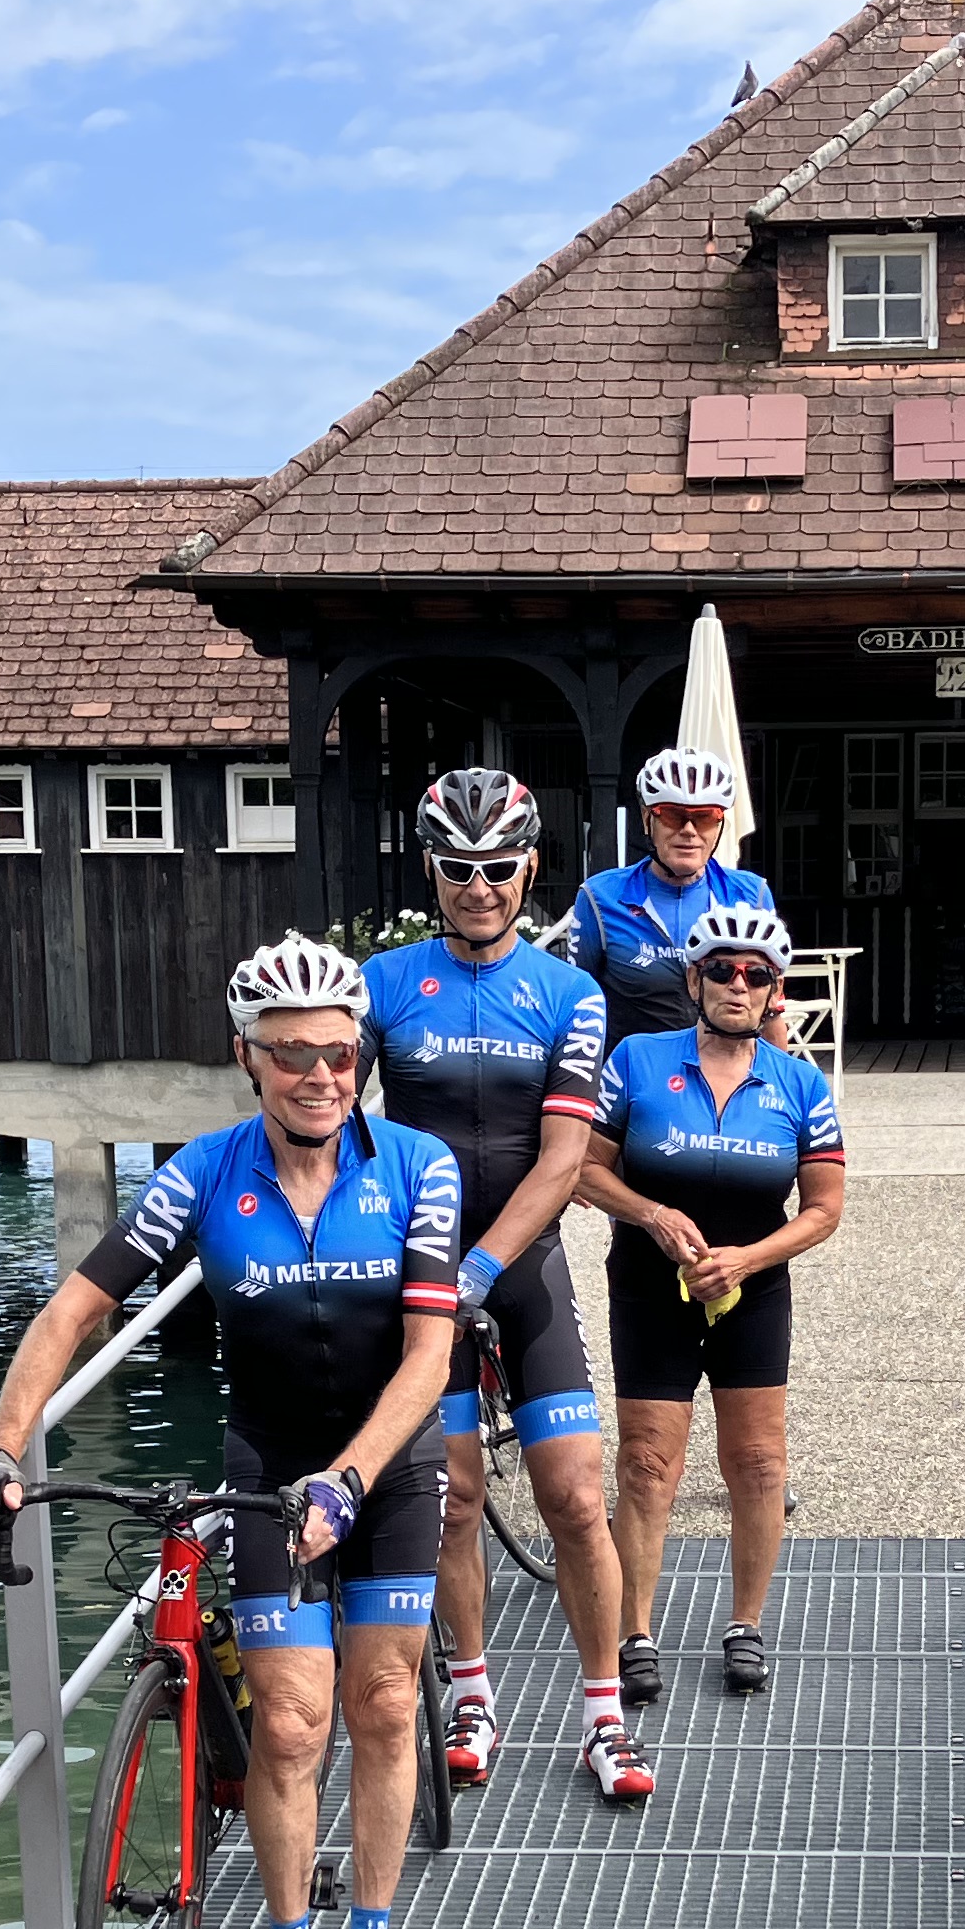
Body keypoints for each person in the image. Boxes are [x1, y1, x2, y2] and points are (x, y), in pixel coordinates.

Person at [0, 938, 461, 1929]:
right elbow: (72, 1311)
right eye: (291, 1054)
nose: (318, 1074)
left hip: (386, 1468)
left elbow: (429, 1358)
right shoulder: (202, 1172)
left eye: (338, 1052)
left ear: (363, 1055)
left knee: (382, 1705)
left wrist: (351, 1478)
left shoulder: (419, 1165)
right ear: (247, 1058)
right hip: (269, 1465)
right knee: (289, 1722)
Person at [362, 767, 652, 1799]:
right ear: (430, 870)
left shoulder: (570, 994)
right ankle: (474, 1695)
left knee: (574, 1496)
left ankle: (606, 1716)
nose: (479, 887)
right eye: (459, 868)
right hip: (420, 1271)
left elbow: (566, 1160)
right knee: (452, 1502)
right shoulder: (383, 982)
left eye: (498, 869)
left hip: (520, 1269)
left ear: (530, 870)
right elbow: (319, 1105)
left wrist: (482, 1268)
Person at [581, 903, 848, 1698]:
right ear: (694, 979)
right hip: (649, 1284)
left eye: (756, 974)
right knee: (646, 1465)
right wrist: (653, 1215)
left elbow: (825, 1208)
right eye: (723, 970)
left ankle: (746, 1624)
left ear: (773, 991)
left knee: (759, 1463)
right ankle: (635, 1630)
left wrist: (747, 1259)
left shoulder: (798, 1082)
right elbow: (584, 1170)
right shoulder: (636, 1059)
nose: (739, 984)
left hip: (751, 1292)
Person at [568, 746, 779, 1043]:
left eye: (705, 817)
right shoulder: (599, 897)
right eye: (672, 816)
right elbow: (577, 1007)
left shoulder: (752, 895)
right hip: (632, 1069)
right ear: (647, 819)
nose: (689, 830)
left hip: (726, 1068)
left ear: (720, 824)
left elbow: (771, 1010)